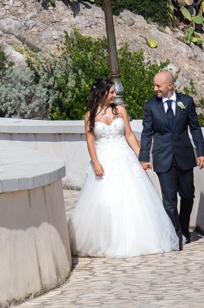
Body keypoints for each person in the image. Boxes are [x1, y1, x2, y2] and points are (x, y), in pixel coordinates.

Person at [68, 79, 180, 258]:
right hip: (104, 159)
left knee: (133, 197)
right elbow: (90, 140)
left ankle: (137, 239)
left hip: (124, 157)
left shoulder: (120, 110)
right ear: (100, 94)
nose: (114, 95)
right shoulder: (90, 115)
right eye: (111, 92)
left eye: (114, 92)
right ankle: (106, 240)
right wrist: (96, 162)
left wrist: (141, 157)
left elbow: (129, 134)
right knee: (105, 199)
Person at [139, 71, 204, 250]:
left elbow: (195, 128)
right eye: (154, 86)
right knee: (169, 200)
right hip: (163, 157)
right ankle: (175, 236)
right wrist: (144, 157)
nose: (155, 89)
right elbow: (146, 133)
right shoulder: (150, 106)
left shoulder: (186, 102)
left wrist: (201, 152)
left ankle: (184, 228)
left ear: (170, 86)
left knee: (188, 195)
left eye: (158, 86)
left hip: (184, 156)